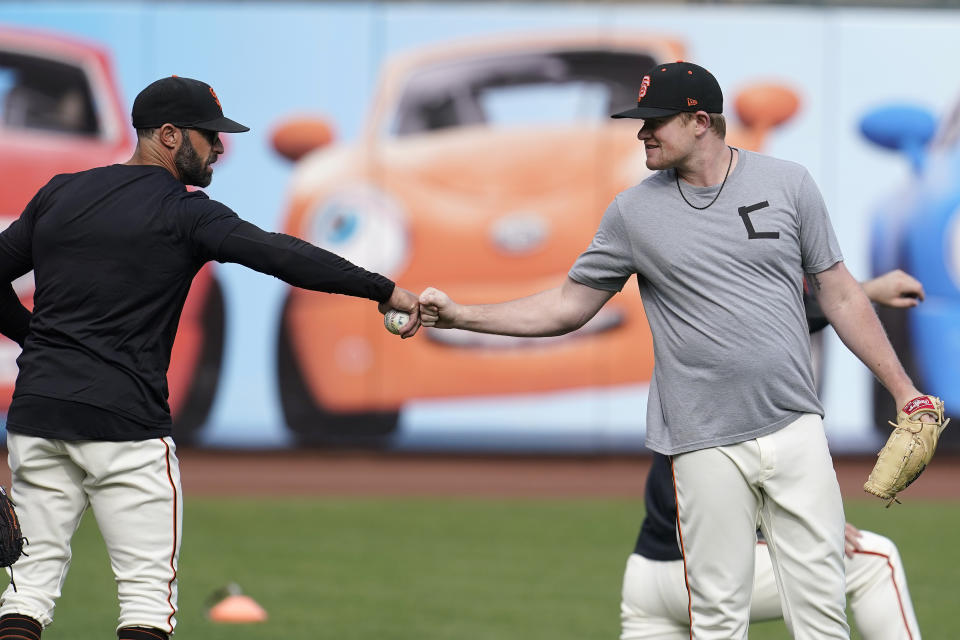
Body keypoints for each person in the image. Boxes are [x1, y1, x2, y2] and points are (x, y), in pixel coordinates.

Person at [419, 61, 940, 638]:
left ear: (699, 121)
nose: (642, 132)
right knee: (717, 619)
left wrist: (904, 390)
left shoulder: (788, 184)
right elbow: (567, 307)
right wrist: (463, 314)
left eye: (654, 121)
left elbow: (838, 293)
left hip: (795, 426)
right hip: (700, 442)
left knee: (822, 616)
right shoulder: (632, 213)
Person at [0, 76, 420, 640]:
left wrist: (38, 341)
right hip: (125, 426)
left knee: (28, 587)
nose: (219, 148)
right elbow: (281, 255)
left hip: (39, 416)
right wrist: (383, 289)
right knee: (147, 598)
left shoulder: (60, 192)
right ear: (169, 136)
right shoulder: (187, 212)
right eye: (209, 136)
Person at [621, 269, 926, 640]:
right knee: (877, 561)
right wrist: (805, 524)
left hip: (646, 579)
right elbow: (782, 316)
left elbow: (779, 314)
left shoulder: (690, 356)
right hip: (709, 573)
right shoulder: (753, 388)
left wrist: (868, 291)